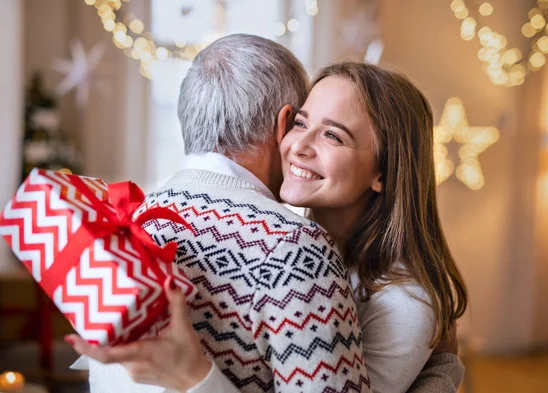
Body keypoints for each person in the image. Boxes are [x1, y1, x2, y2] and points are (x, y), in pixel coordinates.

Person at [67, 34, 466, 393]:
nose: (298, 146)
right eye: (301, 123)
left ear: (385, 170)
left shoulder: (129, 220)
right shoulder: (293, 247)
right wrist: (443, 374)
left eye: (333, 134)